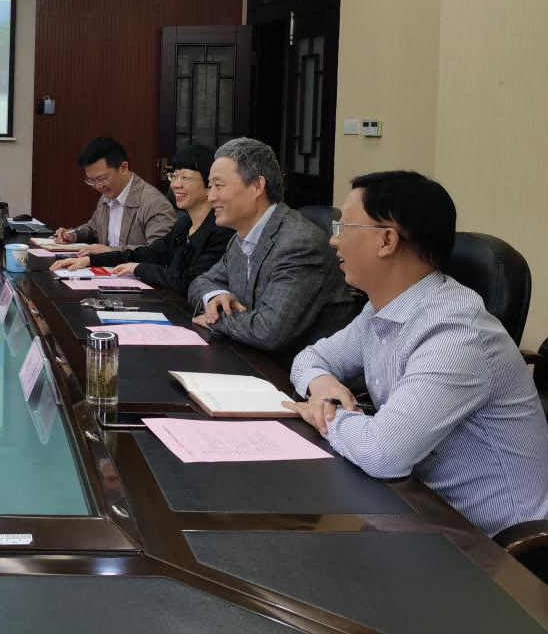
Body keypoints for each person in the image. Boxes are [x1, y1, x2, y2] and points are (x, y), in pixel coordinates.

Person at [286, 171, 548, 536]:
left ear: (387, 240)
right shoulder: (382, 309)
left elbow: (382, 453)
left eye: (344, 227)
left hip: (490, 544)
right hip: (414, 505)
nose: (333, 240)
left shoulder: (456, 332)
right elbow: (310, 359)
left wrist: (324, 414)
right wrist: (324, 386)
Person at [189, 137, 356, 363]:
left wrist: (215, 317)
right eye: (210, 187)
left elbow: (268, 331)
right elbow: (201, 282)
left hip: (296, 374)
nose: (211, 197)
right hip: (248, 357)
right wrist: (216, 296)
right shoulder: (240, 237)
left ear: (257, 186)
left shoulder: (299, 244)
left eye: (219, 186)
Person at [51, 144, 234, 295]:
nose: (175, 184)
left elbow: (192, 281)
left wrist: (139, 268)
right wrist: (91, 260)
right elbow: (148, 253)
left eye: (184, 177)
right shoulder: (183, 225)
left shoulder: (222, 231)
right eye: (174, 176)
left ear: (210, 183)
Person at [52, 136, 175, 254]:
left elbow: (159, 251)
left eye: (102, 178)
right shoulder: (106, 196)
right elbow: (93, 228)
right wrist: (73, 235)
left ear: (123, 168)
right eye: (91, 180)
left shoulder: (154, 203)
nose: (98, 186)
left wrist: (111, 252)